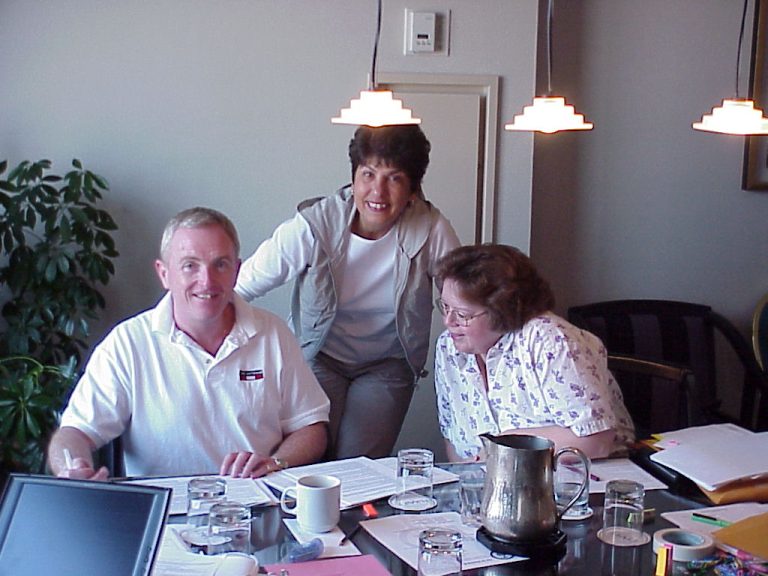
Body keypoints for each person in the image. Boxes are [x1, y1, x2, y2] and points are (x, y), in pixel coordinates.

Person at [48, 207, 330, 480]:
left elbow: (311, 427)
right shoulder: (127, 343)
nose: (206, 281)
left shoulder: (273, 334)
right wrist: (72, 468)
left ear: (236, 271)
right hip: (167, 506)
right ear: (164, 274)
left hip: (254, 500)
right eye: (190, 266)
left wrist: (276, 462)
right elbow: (74, 432)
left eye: (220, 264)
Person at [236, 125, 460, 459]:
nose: (378, 191)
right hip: (317, 356)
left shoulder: (431, 228)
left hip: (387, 363)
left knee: (359, 465)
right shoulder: (316, 223)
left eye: (394, 178)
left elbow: (464, 296)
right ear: (353, 179)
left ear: (413, 190)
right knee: (307, 460)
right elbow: (242, 286)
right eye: (368, 174)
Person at [433, 244, 634, 462]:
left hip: (584, 473)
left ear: (502, 311)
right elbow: (453, 439)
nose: (448, 321)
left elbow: (596, 441)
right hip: (494, 479)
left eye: (462, 314)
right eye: (445, 307)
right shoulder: (448, 347)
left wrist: (501, 447)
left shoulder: (550, 340)